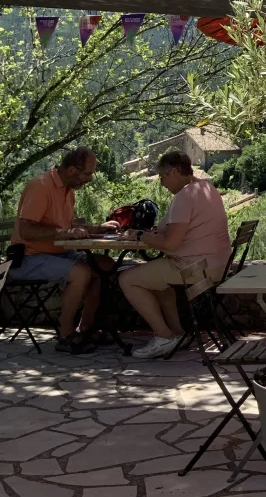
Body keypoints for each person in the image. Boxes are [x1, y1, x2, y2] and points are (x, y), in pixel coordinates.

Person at [119, 150, 232, 360]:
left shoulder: (185, 196)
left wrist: (140, 235)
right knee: (159, 283)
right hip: (218, 267)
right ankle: (177, 334)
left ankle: (164, 336)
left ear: (173, 172)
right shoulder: (207, 188)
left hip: (194, 268)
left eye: (162, 177)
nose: (162, 183)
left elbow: (170, 244)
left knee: (127, 279)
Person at [9, 146, 119, 354]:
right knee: (81, 272)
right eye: (88, 173)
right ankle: (66, 335)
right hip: (28, 257)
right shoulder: (40, 186)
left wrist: (98, 228)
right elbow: (26, 230)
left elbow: (66, 225)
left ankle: (86, 328)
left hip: (58, 253)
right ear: (71, 170)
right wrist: (64, 233)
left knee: (105, 265)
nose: (90, 179)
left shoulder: (68, 190)